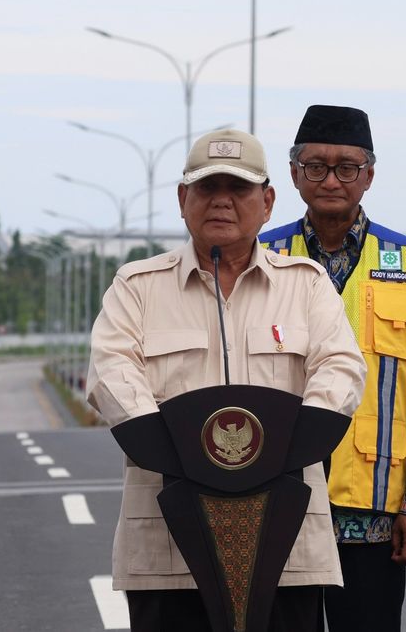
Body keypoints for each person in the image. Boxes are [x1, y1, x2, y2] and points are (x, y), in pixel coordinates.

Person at [87, 128, 366, 632]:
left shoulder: (306, 285)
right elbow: (111, 376)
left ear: (266, 201)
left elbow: (342, 369)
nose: (221, 202)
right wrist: (190, 457)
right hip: (167, 546)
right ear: (182, 200)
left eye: (237, 190)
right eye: (206, 188)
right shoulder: (137, 287)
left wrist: (281, 449)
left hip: (287, 543)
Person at [260, 105, 406, 632]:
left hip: (373, 513)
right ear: (294, 174)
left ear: (369, 174)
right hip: (276, 504)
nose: (331, 179)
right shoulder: (260, 256)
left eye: (347, 167)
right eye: (316, 166)